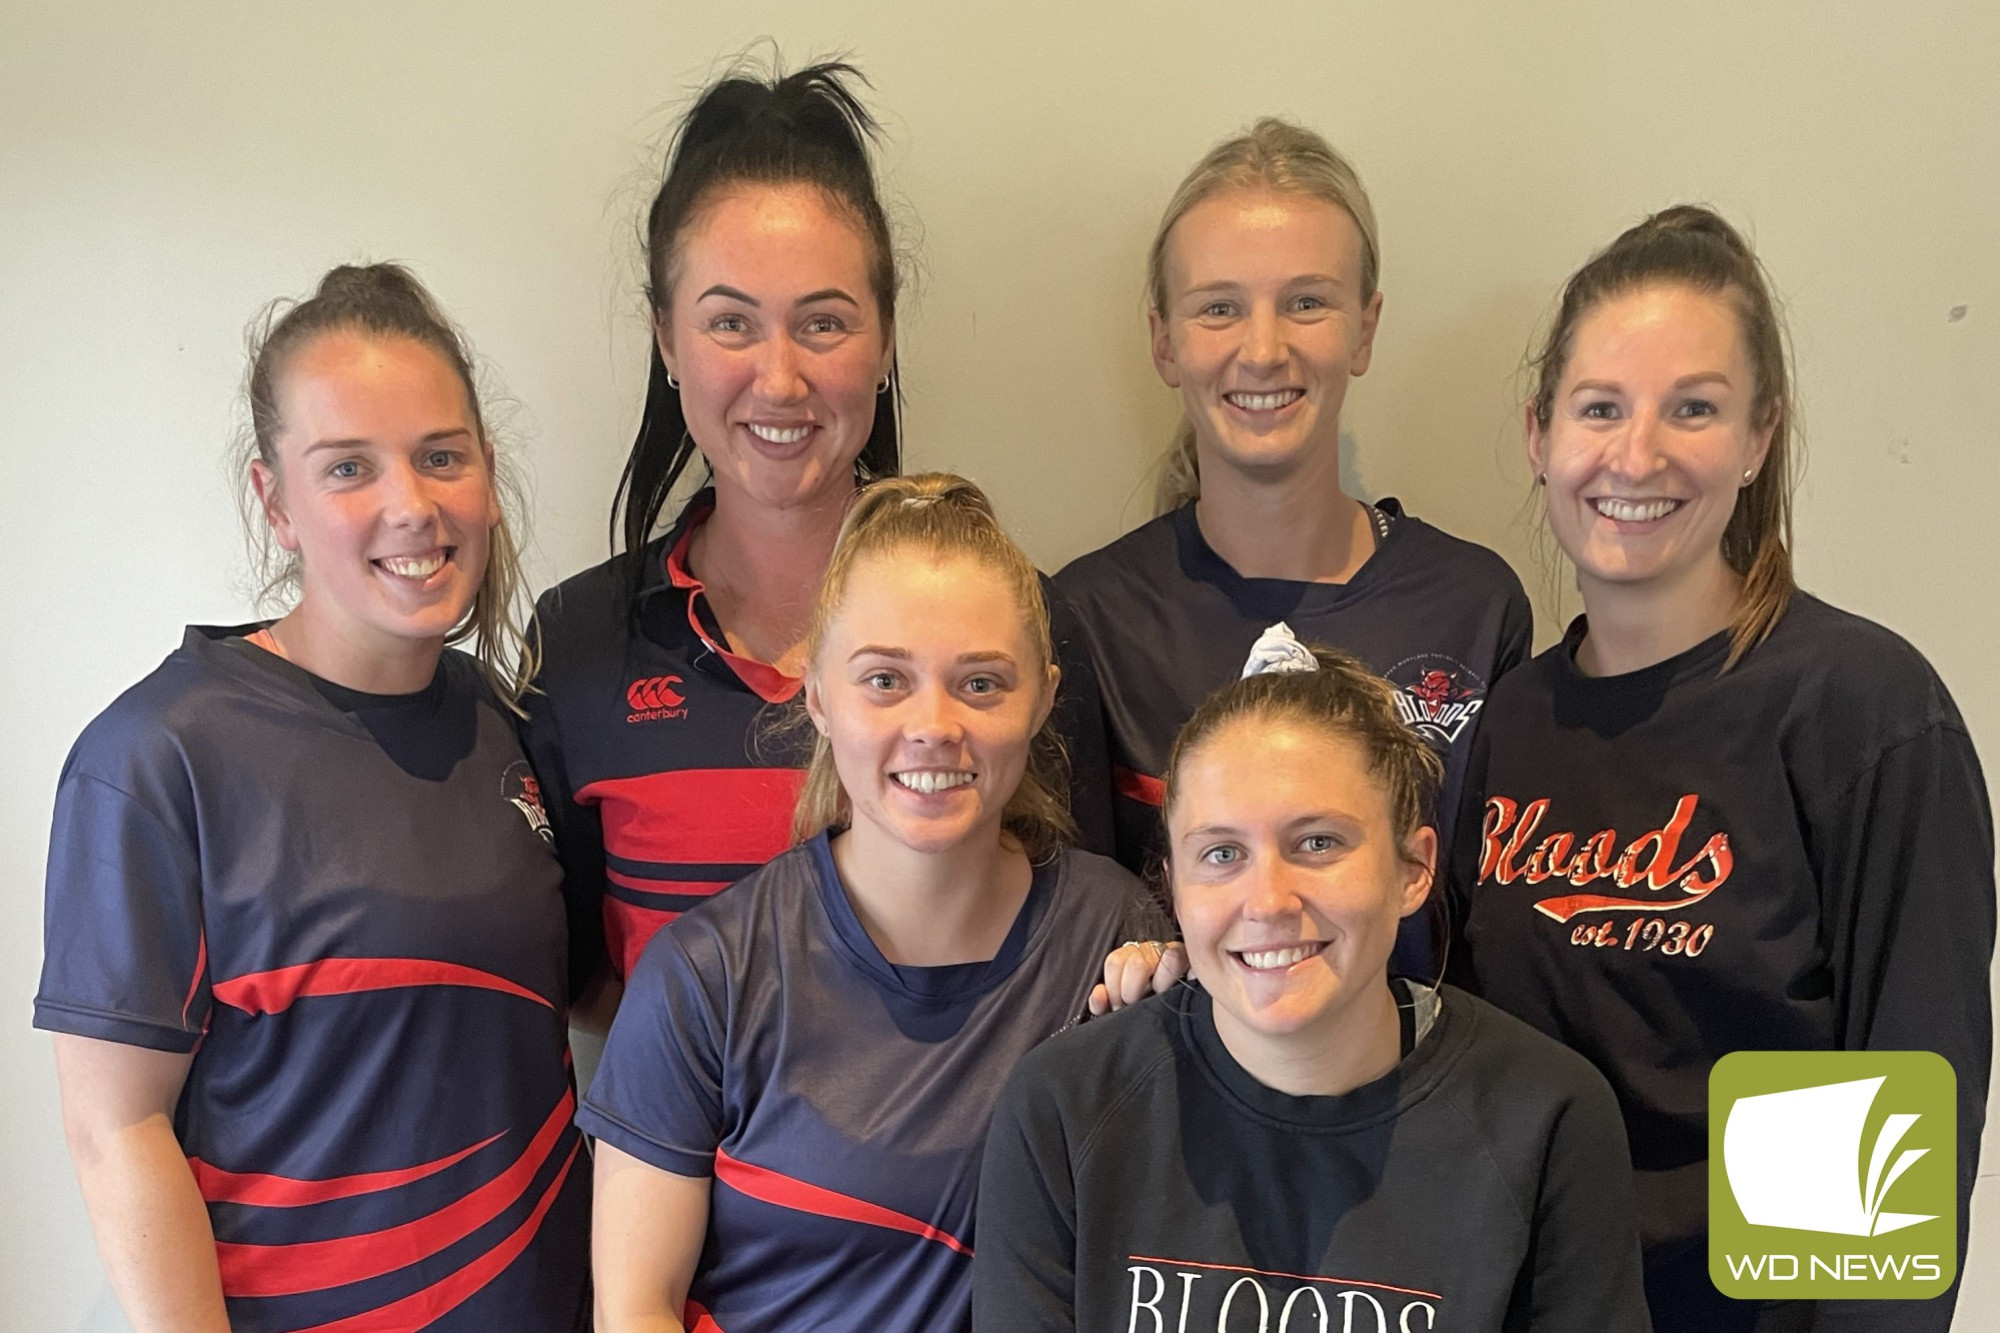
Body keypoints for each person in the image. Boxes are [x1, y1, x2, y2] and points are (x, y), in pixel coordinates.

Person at [1452, 205, 1993, 1332]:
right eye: (1599, 408)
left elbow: (1903, 1123)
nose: (1634, 455)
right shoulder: (1511, 721)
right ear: (1538, 433)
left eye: (1690, 408)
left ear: (1756, 440)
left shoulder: (1856, 709)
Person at [34, 265, 589, 1332]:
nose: (410, 506)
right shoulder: (158, 759)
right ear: (274, 501)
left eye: (441, 456)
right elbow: (116, 1131)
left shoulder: (504, 729)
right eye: (348, 467)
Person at [525, 59, 1113, 990]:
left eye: (825, 323)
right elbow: (582, 977)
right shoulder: (581, 644)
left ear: (884, 341)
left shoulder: (1016, 628)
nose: (781, 378)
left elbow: (1085, 949)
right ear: (666, 341)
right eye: (730, 324)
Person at [583, 474, 1156, 1333]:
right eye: (885, 679)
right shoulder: (706, 978)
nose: (934, 723)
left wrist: (1191, 1012)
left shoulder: (1116, 938)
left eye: (981, 683)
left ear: (1043, 697)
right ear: (817, 694)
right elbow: (636, 1312)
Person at [974, 636, 1649, 1332]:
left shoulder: (1549, 1118)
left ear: (1413, 868)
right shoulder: (1063, 1108)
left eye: (1318, 842)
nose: (1267, 900)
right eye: (1222, 853)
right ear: (1175, 887)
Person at [1056, 118, 1529, 968]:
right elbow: (1079, 941)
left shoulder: (1474, 606)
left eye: (1307, 302)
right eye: (1220, 308)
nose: (1264, 349)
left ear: (1366, 327)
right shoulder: (1088, 617)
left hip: (1423, 1089)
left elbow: (1499, 955)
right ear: (1164, 339)